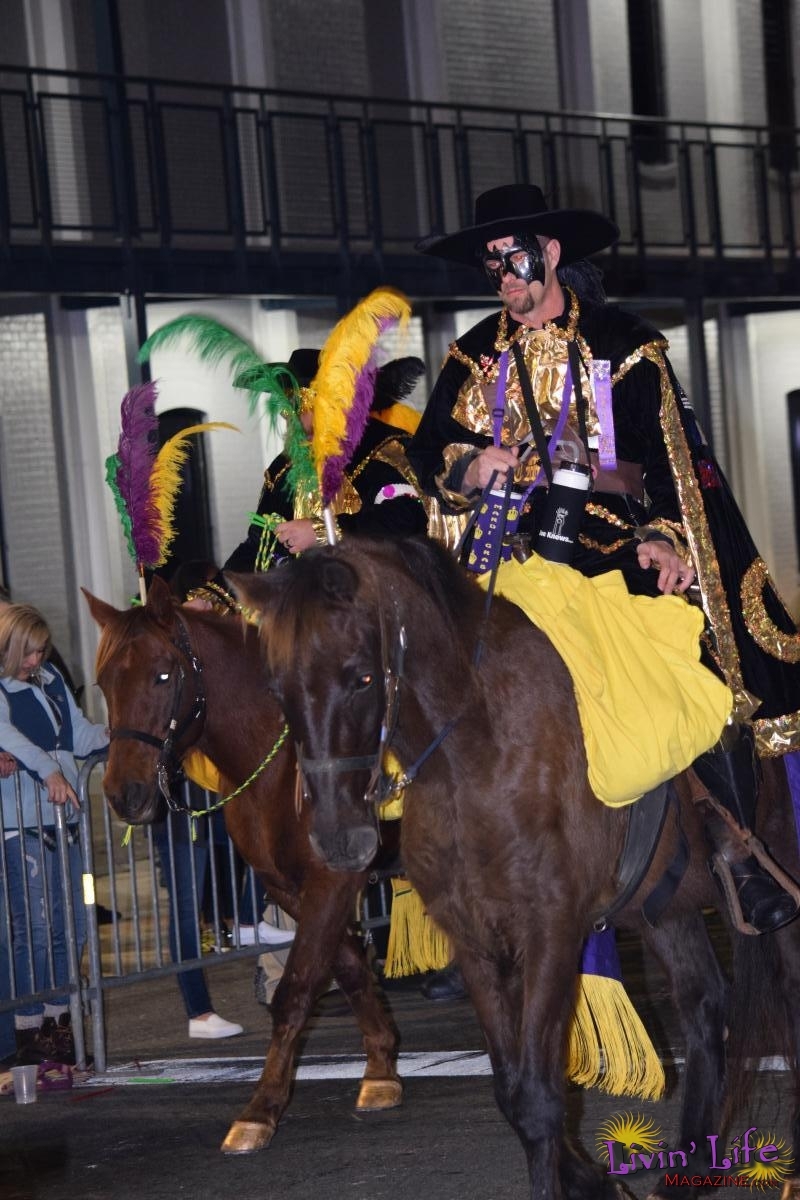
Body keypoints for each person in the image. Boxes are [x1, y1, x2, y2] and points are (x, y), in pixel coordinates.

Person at [407, 184, 800, 998]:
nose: (501, 280)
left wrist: (663, 539)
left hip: (612, 554)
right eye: (490, 268)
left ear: (549, 254)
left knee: (692, 670)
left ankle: (736, 848)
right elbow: (430, 452)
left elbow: (676, 467)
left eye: (511, 261)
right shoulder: (473, 356)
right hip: (506, 555)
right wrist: (468, 465)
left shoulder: (626, 346)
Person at [0, 603, 108, 1063]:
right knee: (36, 933)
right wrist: (49, 772)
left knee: (76, 927)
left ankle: (61, 1022)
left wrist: (125, 733)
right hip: (22, 827)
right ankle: (31, 1031)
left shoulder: (52, 682)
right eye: (27, 653)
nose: (36, 660)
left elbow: (80, 736)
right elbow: (9, 736)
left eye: (41, 651)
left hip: (67, 824)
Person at [224, 350, 428, 570]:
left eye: (293, 405)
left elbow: (404, 518)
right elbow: (258, 544)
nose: (286, 417)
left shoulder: (382, 450)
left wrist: (323, 531)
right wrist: (212, 595)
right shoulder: (284, 468)